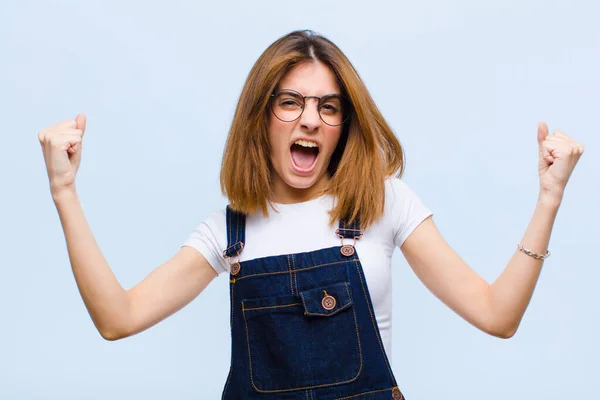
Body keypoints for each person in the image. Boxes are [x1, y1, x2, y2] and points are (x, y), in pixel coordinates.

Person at [38, 30, 584, 399]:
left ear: (343, 124)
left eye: (328, 107)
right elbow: (118, 318)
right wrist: (65, 192)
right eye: (290, 102)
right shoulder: (229, 233)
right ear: (263, 116)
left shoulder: (382, 202)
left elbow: (497, 315)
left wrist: (548, 200)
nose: (310, 120)